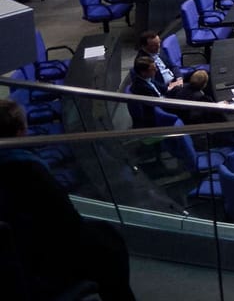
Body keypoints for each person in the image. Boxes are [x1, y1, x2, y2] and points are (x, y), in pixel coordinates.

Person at [0, 99, 137, 301]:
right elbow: (66, 222)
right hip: (42, 255)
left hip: (19, 252)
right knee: (109, 242)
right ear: (21, 132)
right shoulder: (28, 170)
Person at [126, 56, 170, 127]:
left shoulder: (146, 78)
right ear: (143, 72)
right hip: (160, 111)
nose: (156, 70)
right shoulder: (142, 88)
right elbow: (158, 105)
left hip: (163, 99)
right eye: (152, 69)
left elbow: (163, 88)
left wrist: (173, 87)